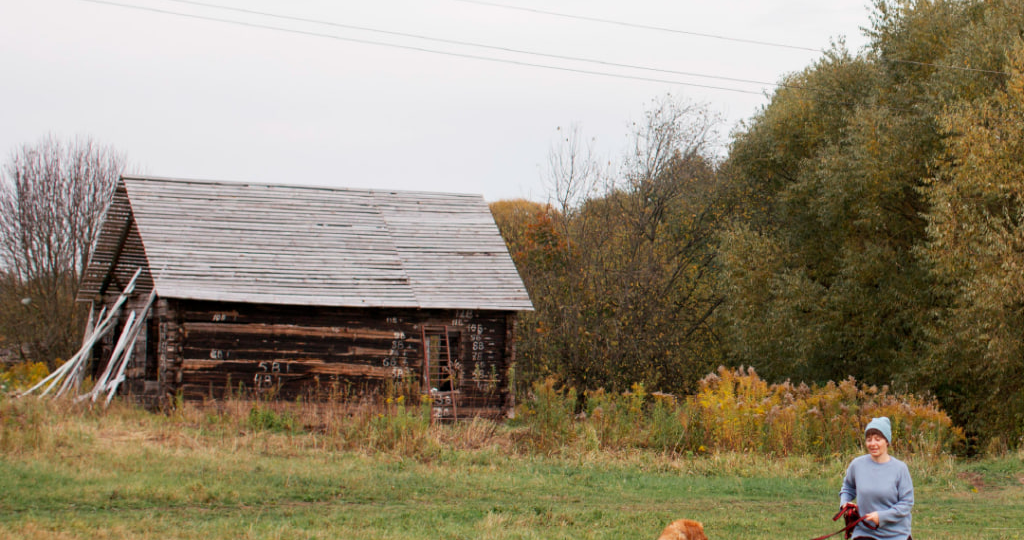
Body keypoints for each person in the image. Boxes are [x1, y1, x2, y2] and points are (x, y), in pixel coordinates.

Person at [839, 417, 914, 540]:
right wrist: (844, 503)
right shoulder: (857, 465)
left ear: (887, 441)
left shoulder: (900, 468)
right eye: (869, 440)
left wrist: (882, 516)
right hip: (864, 532)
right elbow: (847, 488)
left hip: (896, 534)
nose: (872, 444)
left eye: (877, 439)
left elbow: (907, 503)